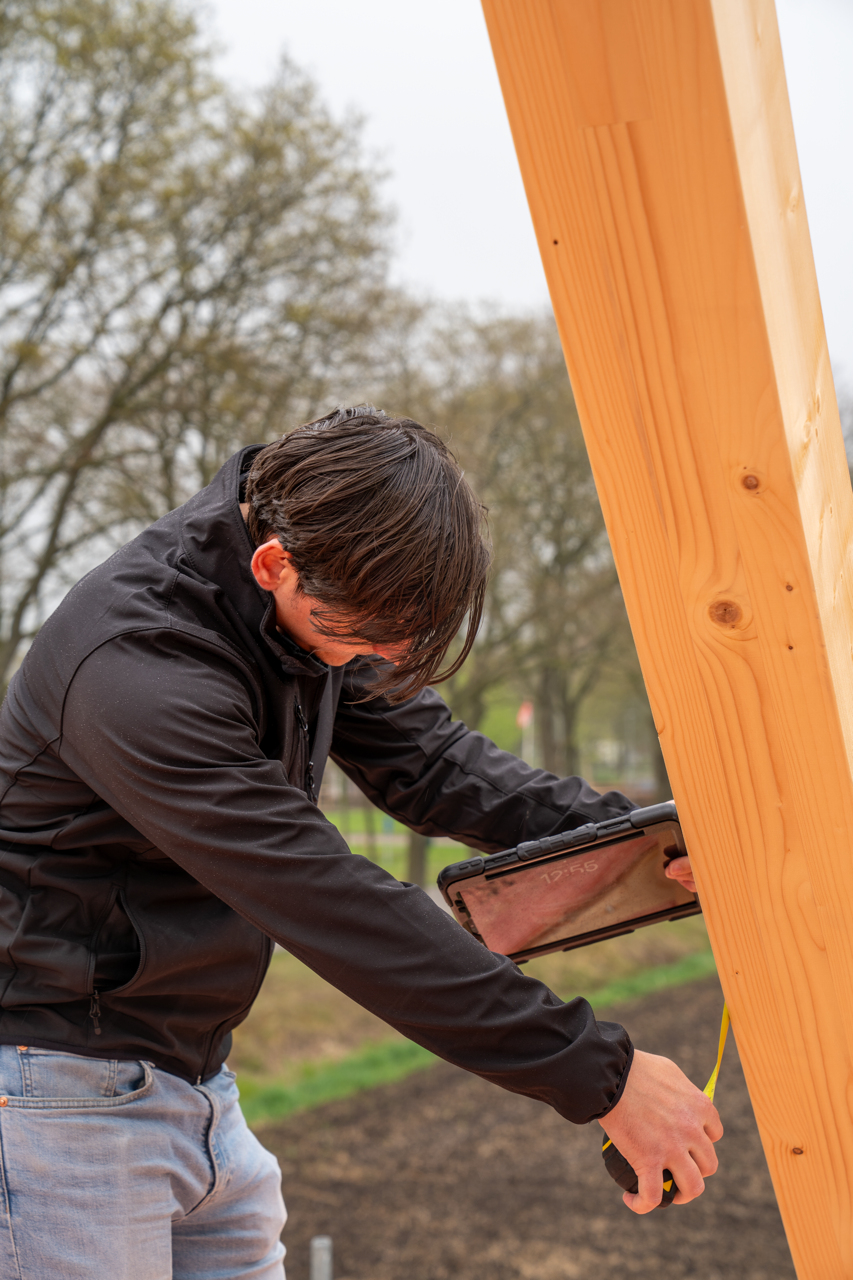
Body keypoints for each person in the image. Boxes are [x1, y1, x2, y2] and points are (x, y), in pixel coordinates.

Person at [0, 406, 720, 1278]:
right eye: (363, 637)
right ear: (272, 564)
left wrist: (650, 844)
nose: (375, 656)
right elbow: (335, 906)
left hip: (196, 1086)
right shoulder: (135, 673)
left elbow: (438, 765)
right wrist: (600, 1073)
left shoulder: (327, 584)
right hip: (53, 1099)